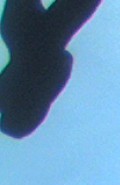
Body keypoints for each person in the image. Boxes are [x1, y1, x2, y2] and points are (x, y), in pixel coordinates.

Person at [0, 0, 103, 138]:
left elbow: (63, 60)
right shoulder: (22, 95)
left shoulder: (38, 87)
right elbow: (62, 61)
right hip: (25, 36)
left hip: (33, 39)